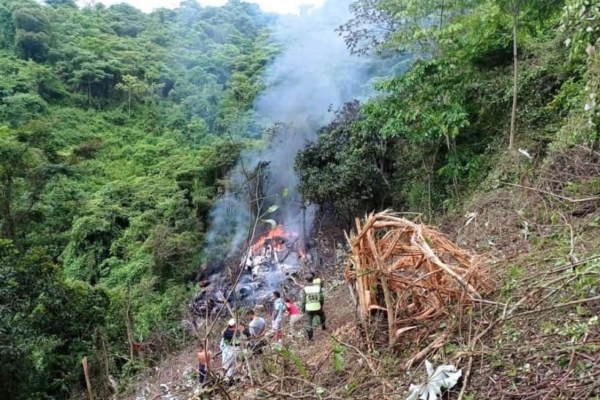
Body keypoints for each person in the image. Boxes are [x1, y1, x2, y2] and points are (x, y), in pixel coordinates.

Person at [301, 275, 326, 341]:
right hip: (317, 307)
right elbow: (321, 298)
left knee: (309, 323)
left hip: (309, 309)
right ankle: (323, 327)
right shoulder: (318, 288)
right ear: (313, 279)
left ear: (306, 281)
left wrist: (303, 310)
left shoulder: (305, 289)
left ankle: (310, 338)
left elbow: (303, 301)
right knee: (322, 315)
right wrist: (321, 305)